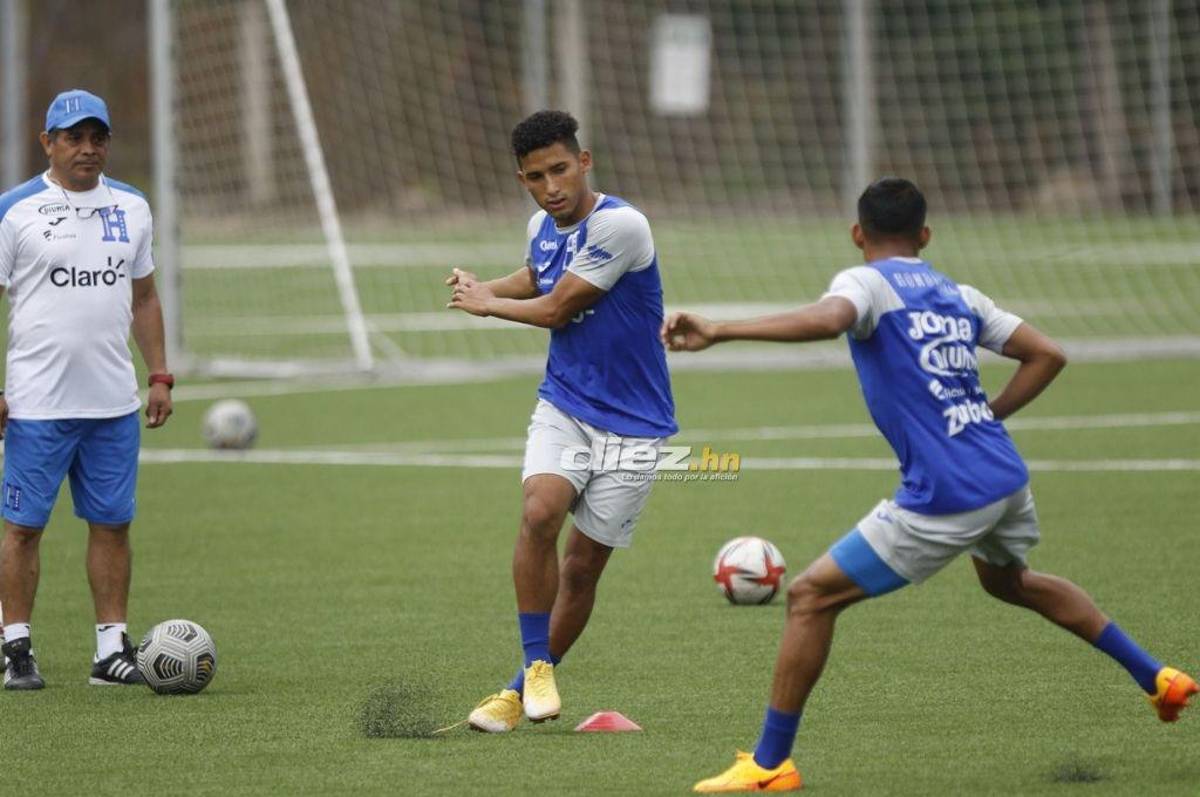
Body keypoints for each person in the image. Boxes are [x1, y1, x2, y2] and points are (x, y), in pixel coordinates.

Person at [664, 178, 1197, 792]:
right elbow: (1047, 354)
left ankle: (768, 765)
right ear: (924, 236)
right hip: (1003, 474)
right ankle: (1157, 678)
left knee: (811, 596)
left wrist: (722, 330)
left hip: (949, 493)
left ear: (858, 234)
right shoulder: (957, 293)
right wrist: (985, 418)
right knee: (1011, 582)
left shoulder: (864, 283)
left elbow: (829, 319)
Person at [446, 110, 676, 731]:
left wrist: (488, 307)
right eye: (535, 177)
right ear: (521, 180)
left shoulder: (622, 226)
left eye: (559, 170)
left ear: (585, 161)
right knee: (539, 510)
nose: (551, 187)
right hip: (566, 405)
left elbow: (555, 307)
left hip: (635, 425)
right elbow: (535, 276)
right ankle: (537, 665)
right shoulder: (541, 227)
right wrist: (482, 285)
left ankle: (517, 691)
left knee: (581, 568)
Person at [0, 89, 174, 690]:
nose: (87, 148)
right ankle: (16, 647)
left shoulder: (132, 205)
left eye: (97, 137)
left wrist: (158, 374)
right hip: (36, 405)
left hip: (112, 403)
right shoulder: (15, 210)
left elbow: (145, 297)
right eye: (73, 137)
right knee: (23, 528)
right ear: (47, 142)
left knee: (112, 525)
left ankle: (110, 650)